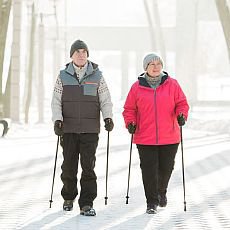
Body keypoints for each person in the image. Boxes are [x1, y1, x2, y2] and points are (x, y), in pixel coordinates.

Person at [51, 39, 114, 216]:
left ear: (87, 55)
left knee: (88, 167)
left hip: (90, 130)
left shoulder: (97, 76)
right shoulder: (63, 76)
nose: (81, 55)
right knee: (69, 166)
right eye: (77, 52)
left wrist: (108, 117)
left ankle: (87, 203)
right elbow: (56, 102)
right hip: (68, 129)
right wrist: (57, 120)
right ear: (71, 55)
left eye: (84, 52)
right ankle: (68, 197)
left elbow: (105, 100)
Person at [122, 53, 189, 214]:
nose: (156, 66)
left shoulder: (172, 84)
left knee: (166, 167)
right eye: (152, 64)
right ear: (146, 68)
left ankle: (161, 191)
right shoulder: (136, 87)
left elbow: (182, 103)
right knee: (149, 170)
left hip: (169, 136)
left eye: (158, 63)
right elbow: (129, 109)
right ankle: (151, 202)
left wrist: (181, 115)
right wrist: (130, 123)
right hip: (145, 137)